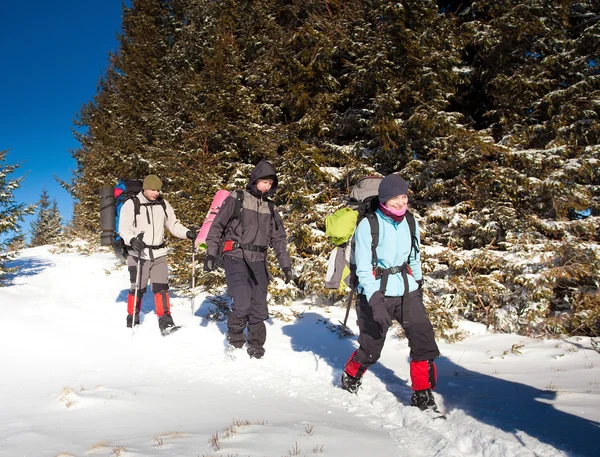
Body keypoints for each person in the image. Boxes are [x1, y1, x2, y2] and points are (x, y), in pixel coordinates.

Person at [340, 173, 441, 410]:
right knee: (371, 348)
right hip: (376, 292)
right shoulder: (369, 224)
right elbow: (364, 267)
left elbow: (415, 256)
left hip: (407, 289)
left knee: (423, 339)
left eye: (404, 197)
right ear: (384, 199)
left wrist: (418, 284)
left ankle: (422, 393)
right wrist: (375, 301)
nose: (400, 203)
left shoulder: (411, 221)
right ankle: (351, 375)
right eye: (395, 198)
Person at [204, 160, 293, 359]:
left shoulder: (271, 208)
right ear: (255, 180)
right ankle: (235, 341)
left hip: (259, 259)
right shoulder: (238, 198)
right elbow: (217, 226)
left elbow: (279, 239)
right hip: (235, 255)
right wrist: (211, 253)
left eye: (270, 183)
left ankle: (256, 346)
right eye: (264, 181)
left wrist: (286, 266)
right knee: (243, 301)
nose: (266, 186)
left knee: (259, 306)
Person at [118, 174, 196, 333]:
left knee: (161, 287)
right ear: (145, 188)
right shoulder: (131, 204)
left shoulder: (163, 204)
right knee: (137, 287)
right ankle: (132, 315)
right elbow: (124, 229)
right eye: (153, 189)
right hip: (138, 253)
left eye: (158, 190)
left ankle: (165, 318)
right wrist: (132, 240)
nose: (156, 193)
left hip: (159, 253)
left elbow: (173, 225)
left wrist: (187, 233)